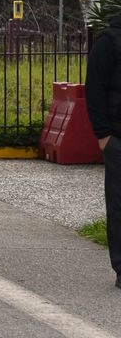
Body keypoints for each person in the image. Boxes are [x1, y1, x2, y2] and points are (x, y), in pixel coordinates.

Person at [84, 17, 121, 290]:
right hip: (117, 139)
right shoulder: (109, 42)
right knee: (119, 206)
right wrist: (103, 135)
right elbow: (93, 89)